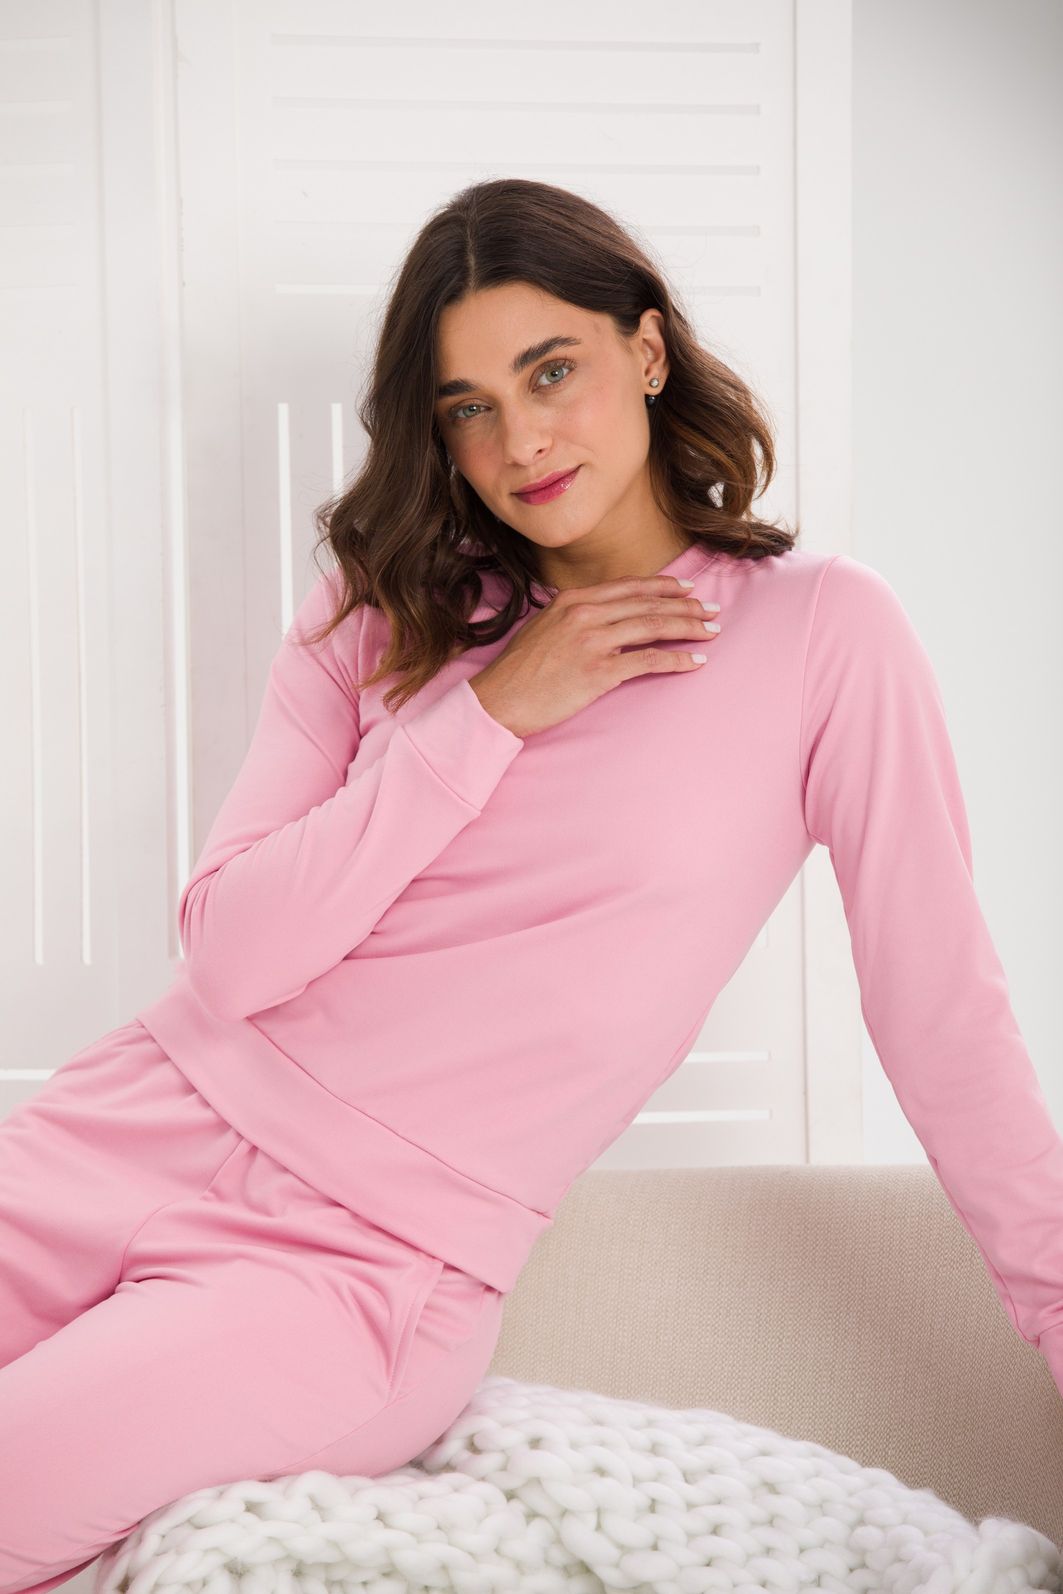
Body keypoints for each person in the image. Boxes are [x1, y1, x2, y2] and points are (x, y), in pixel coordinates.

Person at [2, 176, 1060, 1592]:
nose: (520, 441)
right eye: (469, 407)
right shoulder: (386, 603)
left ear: (647, 348)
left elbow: (944, 1017)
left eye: (551, 370)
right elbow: (234, 954)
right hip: (129, 1124)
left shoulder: (824, 635)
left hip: (359, 1272)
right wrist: (489, 711)